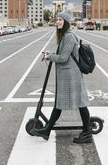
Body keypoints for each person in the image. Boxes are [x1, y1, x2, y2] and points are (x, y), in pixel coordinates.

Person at [33, 11, 92, 144]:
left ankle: (87, 133)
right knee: (60, 103)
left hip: (72, 76)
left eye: (60, 20)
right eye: (57, 20)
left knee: (80, 103)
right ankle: (47, 130)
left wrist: (50, 56)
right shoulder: (65, 36)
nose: (58, 22)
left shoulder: (70, 36)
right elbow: (64, 54)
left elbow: (64, 58)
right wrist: (52, 54)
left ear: (66, 22)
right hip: (67, 75)